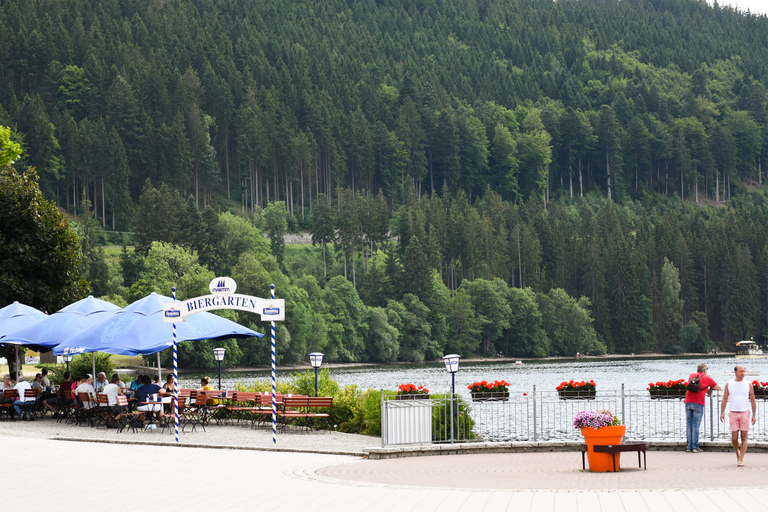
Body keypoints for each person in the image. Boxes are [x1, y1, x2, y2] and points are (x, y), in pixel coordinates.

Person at [719, 365, 757, 466]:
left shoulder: (748, 384)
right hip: (733, 413)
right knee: (734, 437)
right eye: (740, 371)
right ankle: (737, 452)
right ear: (735, 372)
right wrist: (722, 412)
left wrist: (754, 414)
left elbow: (752, 399)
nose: (743, 373)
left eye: (744, 371)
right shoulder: (729, 384)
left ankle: (741, 459)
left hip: (744, 412)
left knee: (744, 436)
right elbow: (725, 398)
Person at [684, 363, 721, 453]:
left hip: (688, 401)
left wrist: (705, 388)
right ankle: (695, 447)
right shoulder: (706, 377)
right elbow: (718, 387)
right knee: (696, 425)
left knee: (689, 425)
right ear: (705, 370)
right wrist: (708, 388)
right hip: (698, 403)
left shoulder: (691, 375)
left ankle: (689, 447)